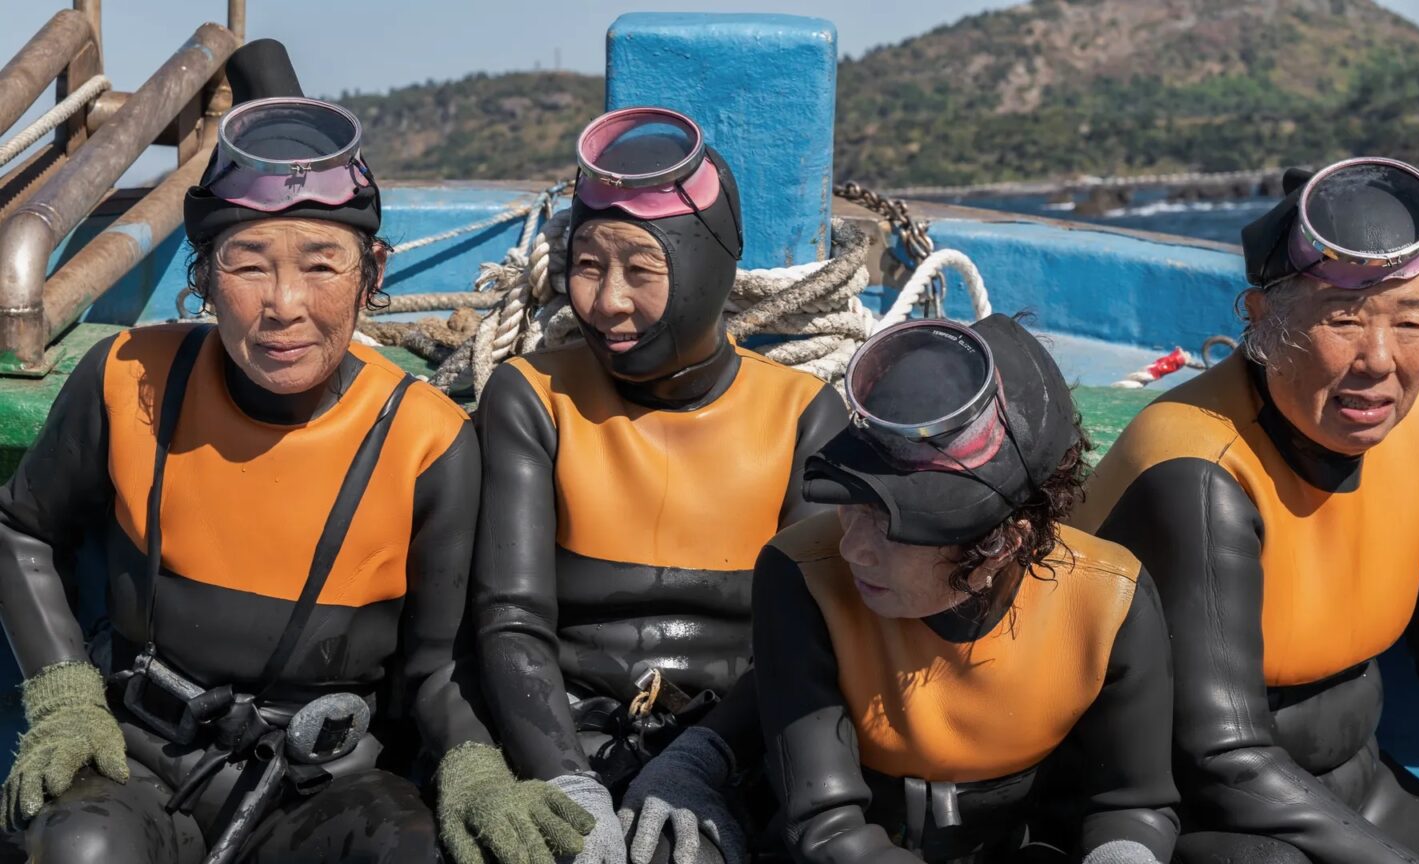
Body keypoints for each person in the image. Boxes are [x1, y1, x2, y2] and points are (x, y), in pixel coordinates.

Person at [0, 40, 591, 864]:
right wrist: (64, 696)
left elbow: (438, 666)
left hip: (325, 787)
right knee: (80, 850)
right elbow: (21, 528)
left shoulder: (426, 442)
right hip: (135, 758)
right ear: (205, 278)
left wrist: (474, 766)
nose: (284, 304)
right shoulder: (127, 378)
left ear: (370, 273)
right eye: (248, 264)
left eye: (321, 265)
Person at [1073, 157, 1419, 864]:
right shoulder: (1199, 470)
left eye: (1410, 321)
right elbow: (1222, 758)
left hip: (1354, 785)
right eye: (1342, 320)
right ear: (1265, 321)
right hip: (1188, 811)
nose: (1379, 360)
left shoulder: (1403, 417)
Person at [472, 106, 848, 864]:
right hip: (569, 735)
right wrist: (567, 783)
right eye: (588, 266)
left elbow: (809, 643)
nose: (608, 302)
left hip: (737, 743)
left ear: (709, 264)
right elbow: (510, 620)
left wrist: (701, 762)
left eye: (641, 271)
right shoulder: (534, 398)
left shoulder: (802, 416)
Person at [752, 314, 1182, 864]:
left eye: (892, 527)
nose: (852, 548)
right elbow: (826, 826)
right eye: (851, 501)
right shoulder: (800, 575)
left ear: (1004, 544)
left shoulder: (1108, 599)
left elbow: (1132, 803)